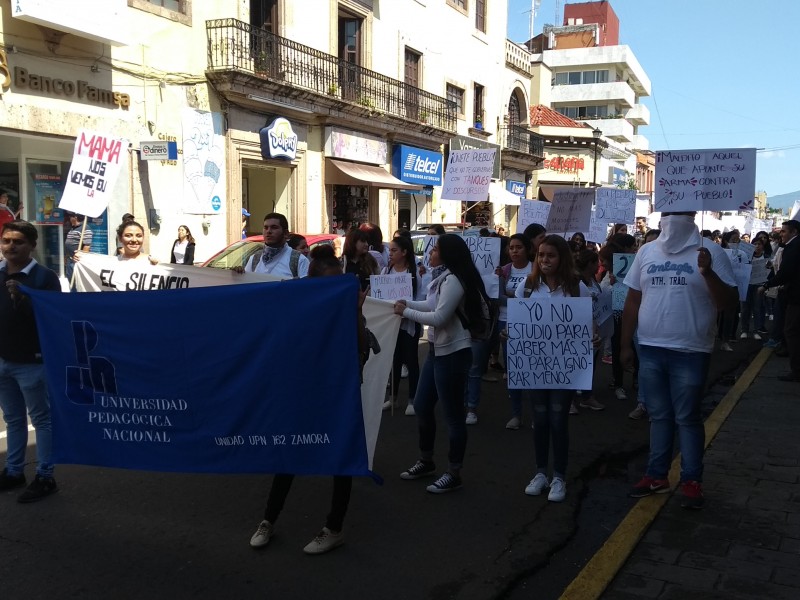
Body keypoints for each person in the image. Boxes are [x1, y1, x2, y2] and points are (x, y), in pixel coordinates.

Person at [249, 244, 371, 555]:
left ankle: (334, 527)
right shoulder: (297, 309)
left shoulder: (347, 309)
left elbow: (363, 349)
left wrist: (356, 310)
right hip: (303, 392)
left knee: (340, 458)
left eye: (338, 284)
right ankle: (268, 519)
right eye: (327, 286)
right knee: (288, 455)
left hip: (338, 394)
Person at [622, 211, 738, 509]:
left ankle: (691, 480)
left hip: (692, 349)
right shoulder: (647, 251)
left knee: (687, 417)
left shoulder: (710, 251)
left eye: (681, 212)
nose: (674, 217)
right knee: (659, 415)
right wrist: (625, 344)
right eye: (669, 212)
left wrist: (708, 273)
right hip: (650, 346)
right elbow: (633, 298)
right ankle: (656, 475)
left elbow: (728, 303)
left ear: (692, 215)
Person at [395, 234, 485, 494]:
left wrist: (405, 312)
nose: (431, 253)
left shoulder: (454, 280)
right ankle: (426, 461)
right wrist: (407, 303)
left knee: (453, 416)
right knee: (423, 406)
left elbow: (439, 317)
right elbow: (432, 304)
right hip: (437, 352)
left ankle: (454, 472)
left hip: (453, 354)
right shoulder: (443, 278)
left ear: (446, 254)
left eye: (435, 249)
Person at [518, 235, 594, 503]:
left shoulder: (576, 288)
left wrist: (590, 339)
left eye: (550, 255)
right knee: (539, 419)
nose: (544, 260)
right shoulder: (527, 287)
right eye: (540, 255)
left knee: (558, 419)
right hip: (535, 365)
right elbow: (519, 323)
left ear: (562, 258)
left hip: (564, 366)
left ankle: (559, 476)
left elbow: (585, 326)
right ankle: (541, 473)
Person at [0, 220, 62, 502]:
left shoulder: (44, 278)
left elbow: (53, 318)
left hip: (32, 362)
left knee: (41, 419)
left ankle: (45, 476)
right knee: (13, 418)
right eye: (6, 241)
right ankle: (14, 471)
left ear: (32, 245)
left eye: (18, 242)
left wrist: (24, 300)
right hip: (3, 360)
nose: (11, 246)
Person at [497, 234, 533, 429]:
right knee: (513, 370)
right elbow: (500, 297)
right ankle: (516, 415)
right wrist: (519, 299)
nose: (514, 251)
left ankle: (536, 415)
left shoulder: (535, 269)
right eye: (511, 247)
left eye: (519, 247)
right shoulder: (504, 270)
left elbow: (536, 296)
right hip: (507, 322)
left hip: (531, 325)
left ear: (527, 249)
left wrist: (514, 296)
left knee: (532, 369)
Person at [382, 234, 421, 415]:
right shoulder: (385, 272)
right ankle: (393, 398)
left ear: (404, 252)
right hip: (392, 324)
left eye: (394, 250)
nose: (390, 254)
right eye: (389, 250)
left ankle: (413, 399)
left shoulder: (415, 273)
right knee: (393, 361)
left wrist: (408, 309)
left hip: (409, 323)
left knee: (411, 360)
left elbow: (422, 298)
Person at [760, 220, 800, 381]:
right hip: (792, 293)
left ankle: (797, 371)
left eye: (784, 231)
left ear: (794, 232)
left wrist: (767, 285)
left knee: (791, 330)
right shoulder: (792, 246)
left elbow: (787, 272)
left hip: (797, 297)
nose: (780, 234)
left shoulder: (794, 247)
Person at [239, 213, 308, 279]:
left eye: (274, 227)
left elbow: (306, 289)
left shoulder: (299, 260)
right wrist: (237, 275)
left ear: (286, 233)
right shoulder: (254, 259)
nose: (268, 231)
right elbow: (246, 285)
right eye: (266, 228)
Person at [739, 237, 768, 340]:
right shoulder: (746, 256)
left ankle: (756, 330)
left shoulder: (766, 257)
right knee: (745, 308)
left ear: (763, 245)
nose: (757, 246)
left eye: (759, 244)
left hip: (759, 285)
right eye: (755, 244)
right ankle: (744, 330)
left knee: (757, 308)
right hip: (746, 284)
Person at [64, 212, 93, 286]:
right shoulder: (72, 229)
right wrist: (66, 256)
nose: (69, 219)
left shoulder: (85, 228)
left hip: (77, 262)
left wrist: (81, 258)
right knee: (70, 282)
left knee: (77, 284)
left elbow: (87, 246)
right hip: (69, 260)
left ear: (75, 217)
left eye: (70, 217)